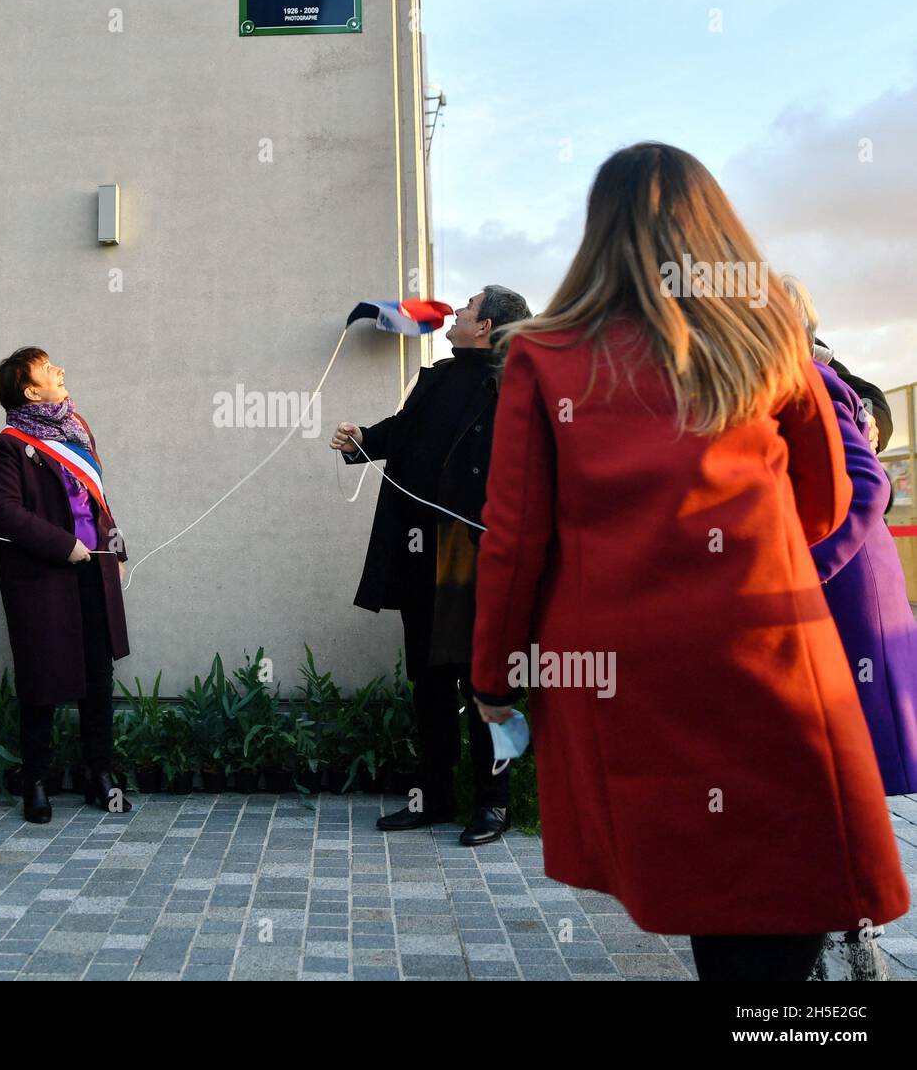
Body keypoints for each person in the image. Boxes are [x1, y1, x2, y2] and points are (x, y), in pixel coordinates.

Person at [469, 142, 908, 983]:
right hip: (771, 656)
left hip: (631, 680)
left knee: (709, 894)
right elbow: (821, 499)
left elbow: (515, 540)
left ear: (600, 235)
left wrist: (494, 681)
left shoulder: (545, 354)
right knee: (783, 898)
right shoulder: (769, 334)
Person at [331, 286, 530, 845]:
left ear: (486, 326)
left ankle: (495, 804)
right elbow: (406, 434)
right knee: (430, 680)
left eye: (467, 307)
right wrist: (361, 441)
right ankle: (433, 797)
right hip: (419, 551)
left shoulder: (518, 388)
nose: (455, 312)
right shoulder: (437, 378)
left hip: (476, 555)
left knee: (487, 686)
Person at [782, 275, 917, 981]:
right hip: (830, 584)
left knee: (836, 769)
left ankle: (847, 935)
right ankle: (834, 929)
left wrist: (805, 567)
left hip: (841, 589)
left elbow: (871, 486)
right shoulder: (790, 375)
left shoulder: (813, 377)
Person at [0, 348, 131, 823]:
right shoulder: (7, 445)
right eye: (49, 370)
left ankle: (100, 776)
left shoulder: (78, 428)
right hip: (45, 576)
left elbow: (98, 498)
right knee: (44, 680)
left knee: (98, 678)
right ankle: (36, 782)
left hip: (95, 569)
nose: (61, 371)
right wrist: (62, 544)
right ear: (30, 390)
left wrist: (116, 550)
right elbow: (5, 514)